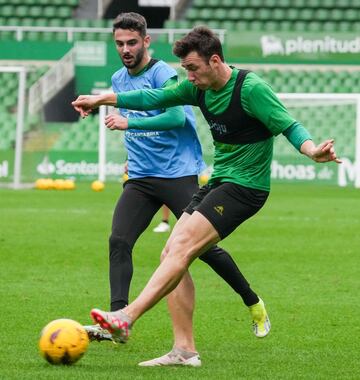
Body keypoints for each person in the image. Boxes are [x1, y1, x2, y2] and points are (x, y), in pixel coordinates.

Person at [72, 26, 340, 356]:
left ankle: (126, 317)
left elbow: (290, 126)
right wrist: (103, 99)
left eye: (193, 68)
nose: (189, 76)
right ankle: (184, 351)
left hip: (246, 187)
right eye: (186, 69)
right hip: (218, 182)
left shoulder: (250, 88)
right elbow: (153, 97)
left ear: (214, 61)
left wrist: (312, 151)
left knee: (182, 246)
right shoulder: (198, 89)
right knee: (171, 253)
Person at [82, 15, 271, 367]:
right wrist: (103, 102)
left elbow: (174, 117)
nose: (125, 49)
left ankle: (251, 299)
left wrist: (127, 119)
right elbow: (131, 108)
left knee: (199, 250)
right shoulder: (118, 79)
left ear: (146, 41)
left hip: (176, 173)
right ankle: (117, 320)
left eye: (132, 42)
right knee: (120, 241)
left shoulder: (168, 75)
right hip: (140, 177)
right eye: (120, 43)